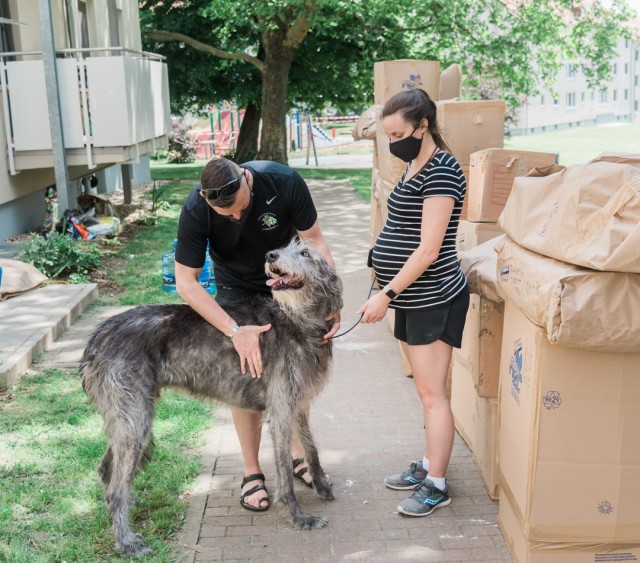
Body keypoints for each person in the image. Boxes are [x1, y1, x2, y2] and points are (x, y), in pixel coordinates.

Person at [174, 158, 339, 512]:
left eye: (239, 209)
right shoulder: (195, 209)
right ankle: (252, 473)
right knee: (249, 373)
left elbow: (315, 241)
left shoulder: (283, 182)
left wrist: (330, 302)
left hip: (288, 278)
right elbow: (186, 283)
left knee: (296, 377)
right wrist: (234, 331)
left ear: (247, 180)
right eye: (225, 214)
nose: (234, 219)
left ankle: (297, 457)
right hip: (236, 290)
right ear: (205, 200)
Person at [357, 89, 469, 517]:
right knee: (425, 392)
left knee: (431, 394)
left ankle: (437, 484)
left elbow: (427, 250)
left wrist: (387, 295)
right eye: (388, 135)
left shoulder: (441, 171)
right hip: (413, 297)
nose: (393, 142)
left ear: (423, 126)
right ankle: (427, 465)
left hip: (433, 298)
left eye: (399, 133)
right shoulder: (414, 162)